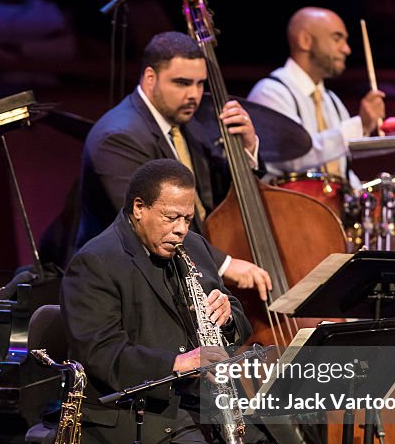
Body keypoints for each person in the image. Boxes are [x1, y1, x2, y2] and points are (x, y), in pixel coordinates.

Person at [42, 159, 315, 444]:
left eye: (188, 218)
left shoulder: (197, 251)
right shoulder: (96, 262)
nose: (181, 229)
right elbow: (102, 356)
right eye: (171, 218)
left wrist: (228, 320)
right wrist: (175, 362)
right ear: (138, 209)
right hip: (137, 415)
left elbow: (236, 328)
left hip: (201, 409)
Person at [76, 30, 271, 299]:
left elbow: (215, 193)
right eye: (182, 83)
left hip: (178, 272)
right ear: (150, 78)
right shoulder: (118, 137)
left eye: (200, 84)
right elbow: (152, 224)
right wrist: (225, 264)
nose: (194, 94)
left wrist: (247, 148)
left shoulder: (187, 125)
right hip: (128, 286)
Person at [247, 7, 385, 185]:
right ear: (305, 41)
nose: (347, 49)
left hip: (329, 209)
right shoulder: (271, 92)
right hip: (289, 208)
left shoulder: (332, 101)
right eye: (337, 38)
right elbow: (294, 157)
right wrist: (359, 125)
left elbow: (342, 172)